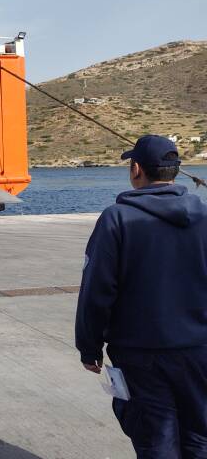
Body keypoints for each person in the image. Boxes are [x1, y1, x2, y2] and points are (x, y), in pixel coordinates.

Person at [75, 135, 207, 458]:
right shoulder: (203, 217)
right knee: (199, 439)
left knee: (156, 442)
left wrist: (89, 346)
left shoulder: (117, 219)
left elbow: (97, 289)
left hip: (141, 357)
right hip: (198, 353)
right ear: (175, 172)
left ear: (136, 169)